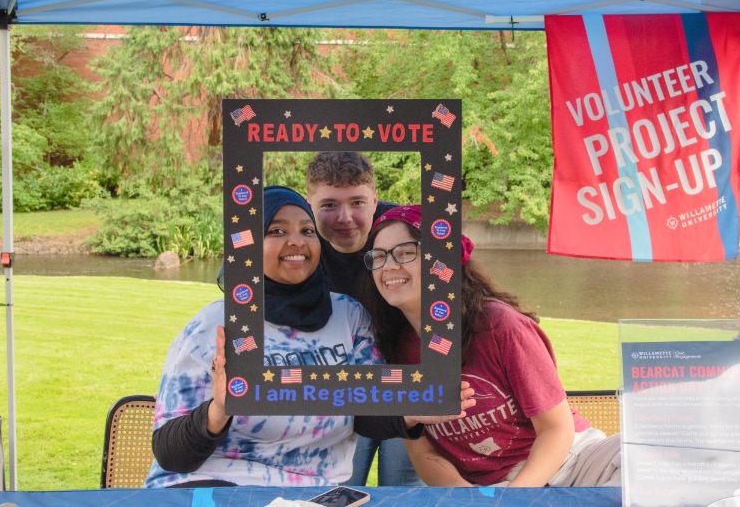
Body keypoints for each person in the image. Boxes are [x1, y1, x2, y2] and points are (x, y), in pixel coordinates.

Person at [144, 187, 474, 488]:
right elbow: (170, 455)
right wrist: (219, 410)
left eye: (307, 230)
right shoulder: (213, 326)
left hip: (317, 493)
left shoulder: (350, 317)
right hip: (216, 487)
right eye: (277, 231)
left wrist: (411, 411)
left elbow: (367, 412)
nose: (297, 241)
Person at [361, 205, 621, 487]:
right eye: (379, 256)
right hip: (488, 489)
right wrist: (467, 497)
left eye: (405, 252)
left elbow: (556, 429)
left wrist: (513, 500)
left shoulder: (500, 326)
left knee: (645, 459)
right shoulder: (393, 348)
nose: (388, 265)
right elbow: (423, 451)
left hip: (571, 462)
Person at [305, 151, 422, 487]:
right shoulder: (298, 238)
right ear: (309, 203)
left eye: (357, 202)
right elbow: (238, 277)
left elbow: (456, 278)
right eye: (329, 205)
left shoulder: (400, 230)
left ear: (374, 199)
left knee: (403, 490)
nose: (345, 218)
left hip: (408, 380)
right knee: (337, 488)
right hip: (341, 386)